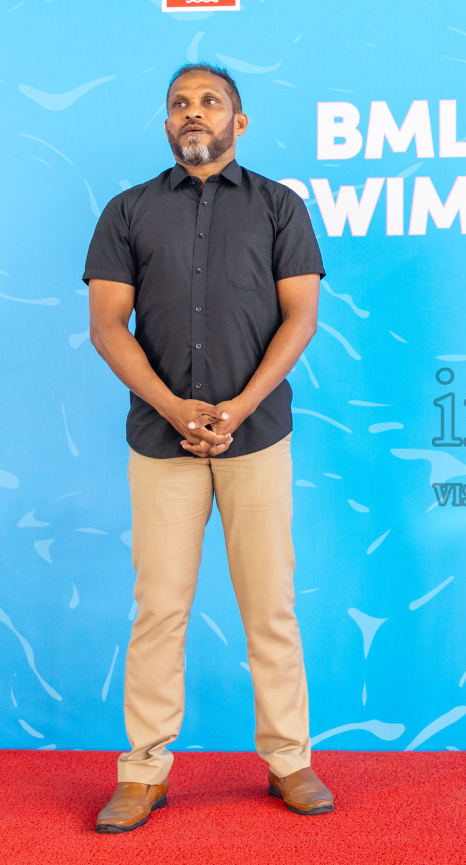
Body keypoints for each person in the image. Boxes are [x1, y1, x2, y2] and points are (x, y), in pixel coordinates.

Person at [83, 64, 332, 833]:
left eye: (210, 102)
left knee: (271, 607)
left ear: (240, 121)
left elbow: (301, 319)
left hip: (256, 436)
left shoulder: (280, 207)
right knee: (159, 608)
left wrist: (238, 406)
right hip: (161, 443)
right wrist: (173, 406)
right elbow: (106, 327)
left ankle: (289, 759)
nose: (195, 114)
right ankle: (145, 770)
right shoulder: (126, 212)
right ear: (166, 124)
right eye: (180, 105)